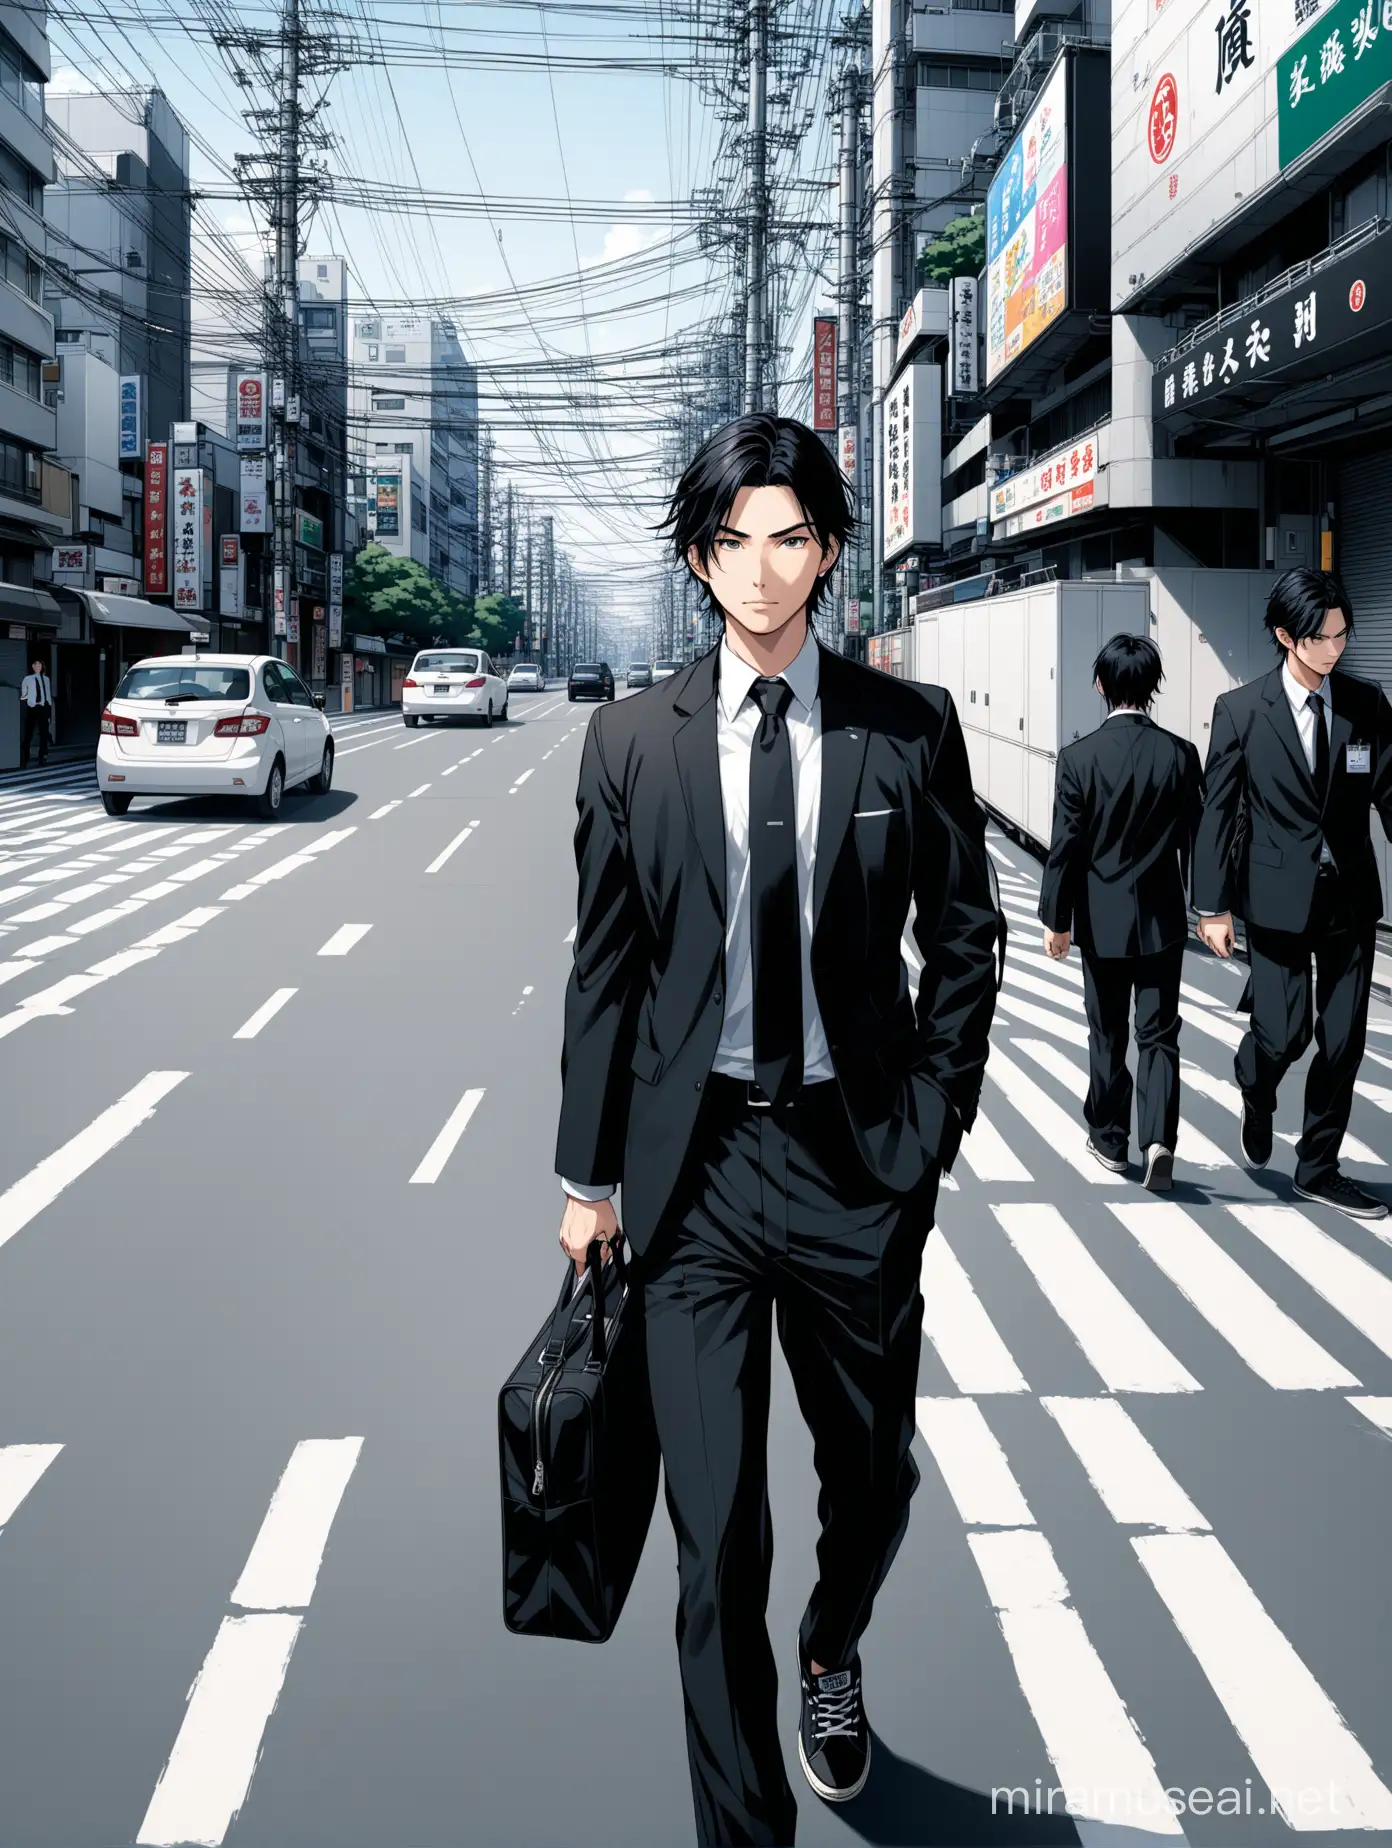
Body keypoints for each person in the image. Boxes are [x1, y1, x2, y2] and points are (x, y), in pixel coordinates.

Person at [553, 413, 1001, 1846]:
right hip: (691, 1185)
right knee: (712, 1544)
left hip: (854, 1162)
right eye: (733, 541)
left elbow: (968, 944)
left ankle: (831, 1648)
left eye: (790, 537)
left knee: (872, 1478)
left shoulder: (905, 730)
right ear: (698, 557)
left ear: (827, 550)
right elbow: (606, 968)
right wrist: (588, 1176)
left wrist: (925, 1130)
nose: (762, 571)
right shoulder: (631, 742)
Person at [1193, 567, 1392, 1220]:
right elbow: (1217, 813)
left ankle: (1318, 1166)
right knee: (1285, 1033)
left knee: (1342, 1039)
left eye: (1342, 633)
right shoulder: (1242, 711)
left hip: (1351, 902)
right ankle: (1255, 1079)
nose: (1336, 648)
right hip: (1275, 898)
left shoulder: (1367, 705)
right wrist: (1212, 906)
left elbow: (1391, 792)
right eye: (1322, 637)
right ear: (1286, 636)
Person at [1038, 634, 1204, 1192]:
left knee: (1107, 1031)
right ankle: (1159, 1137)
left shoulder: (1078, 759)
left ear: (1100, 686)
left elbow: (1066, 847)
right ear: (1154, 686)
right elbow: (1196, 840)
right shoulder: (1181, 755)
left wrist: (1056, 921)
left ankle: (1110, 1139)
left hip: (1101, 921)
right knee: (1158, 1032)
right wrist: (1208, 908)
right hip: (1162, 922)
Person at [19, 657, 52, 767]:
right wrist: (29, 700)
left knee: (44, 733)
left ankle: (42, 757)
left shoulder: (45, 679)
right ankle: (24, 757)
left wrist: (49, 712)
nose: (37, 667)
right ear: (32, 667)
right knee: (29, 732)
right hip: (32, 707)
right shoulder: (28, 679)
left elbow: (48, 695)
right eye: (35, 665)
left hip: (43, 707)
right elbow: (24, 694)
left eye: (39, 665)